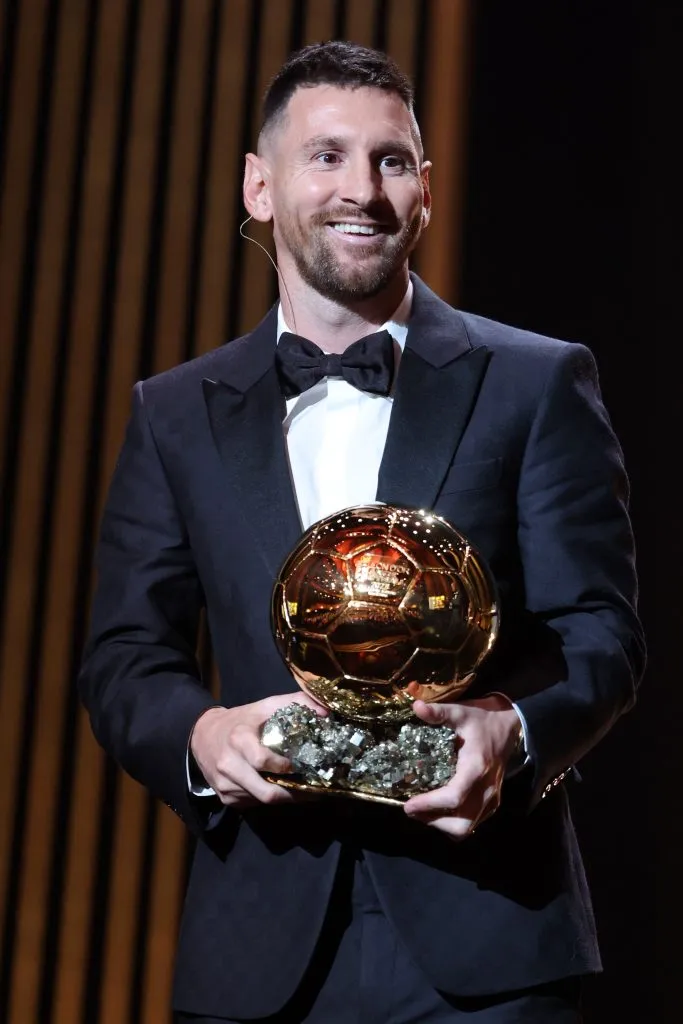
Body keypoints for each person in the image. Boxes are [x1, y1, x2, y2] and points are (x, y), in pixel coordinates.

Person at [78, 41, 645, 1023]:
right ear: (259, 186)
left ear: (423, 189)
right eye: (326, 155)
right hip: (254, 958)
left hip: (493, 941)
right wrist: (203, 734)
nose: (362, 190)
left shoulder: (535, 382)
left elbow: (600, 633)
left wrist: (509, 735)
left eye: (389, 161)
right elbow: (125, 655)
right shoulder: (173, 414)